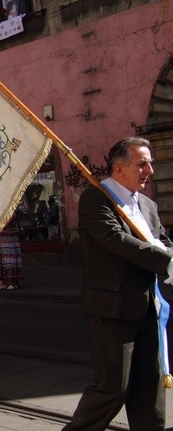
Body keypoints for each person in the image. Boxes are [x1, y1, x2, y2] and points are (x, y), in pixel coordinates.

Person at [63, 137, 173, 431]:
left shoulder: (147, 204)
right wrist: (164, 260)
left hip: (148, 307)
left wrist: (170, 254)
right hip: (112, 308)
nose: (149, 169)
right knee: (113, 389)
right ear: (119, 168)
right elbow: (116, 241)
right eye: (142, 163)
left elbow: (161, 240)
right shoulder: (96, 198)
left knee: (151, 389)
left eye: (150, 163)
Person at [0, 215, 23, 291]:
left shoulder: (11, 209)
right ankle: (1, 282)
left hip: (9, 236)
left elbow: (6, 220)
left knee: (9, 260)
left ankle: (13, 282)